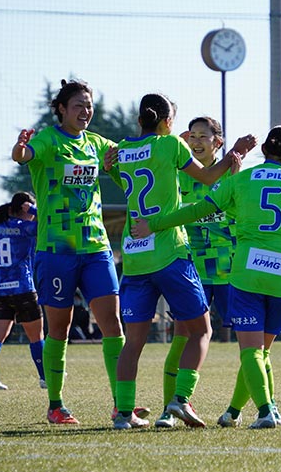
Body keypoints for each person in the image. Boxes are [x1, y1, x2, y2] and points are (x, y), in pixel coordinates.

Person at [132, 126, 281, 428]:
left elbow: (197, 211)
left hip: (247, 274)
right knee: (262, 351)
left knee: (250, 351)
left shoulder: (241, 180)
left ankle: (263, 409)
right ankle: (235, 411)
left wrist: (154, 224)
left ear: (264, 152)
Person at [103, 93, 255, 430]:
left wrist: (109, 169)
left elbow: (127, 186)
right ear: (169, 122)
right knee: (202, 331)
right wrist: (234, 155)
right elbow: (208, 178)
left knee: (134, 341)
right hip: (171, 253)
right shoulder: (171, 146)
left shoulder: (122, 149)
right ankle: (179, 400)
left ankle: (124, 414)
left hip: (136, 256)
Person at [11, 79, 129, 425]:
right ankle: (56, 405)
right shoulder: (48, 140)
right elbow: (23, 156)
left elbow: (129, 156)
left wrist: (161, 144)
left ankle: (122, 404)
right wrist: (20, 148)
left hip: (96, 247)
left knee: (113, 323)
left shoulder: (96, 143)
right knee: (59, 329)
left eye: (89, 106)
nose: (86, 111)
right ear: (62, 109)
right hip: (56, 250)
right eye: (79, 105)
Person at [152, 115, 241, 429]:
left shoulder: (232, 171)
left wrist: (236, 175)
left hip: (229, 269)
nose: (197, 141)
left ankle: (241, 408)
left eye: (204, 136)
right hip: (191, 268)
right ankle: (169, 409)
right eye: (193, 136)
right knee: (182, 337)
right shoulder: (179, 172)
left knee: (250, 342)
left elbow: (240, 212)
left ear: (218, 142)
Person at [0, 192, 45, 391]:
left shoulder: (0, 227)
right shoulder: (26, 227)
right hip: (22, 288)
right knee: (37, 336)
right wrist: (35, 210)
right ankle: (45, 378)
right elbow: (47, 222)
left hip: (1, 289)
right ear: (25, 208)